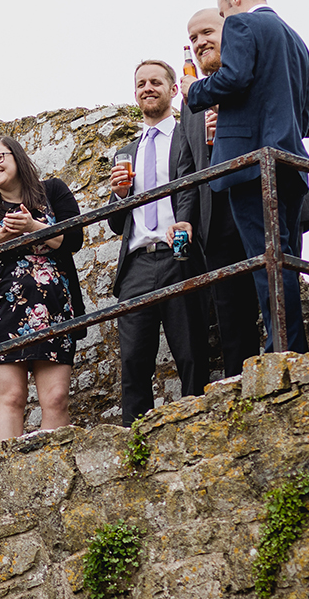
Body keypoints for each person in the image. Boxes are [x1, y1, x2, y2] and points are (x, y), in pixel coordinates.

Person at [183, 7, 309, 372]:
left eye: (208, 32)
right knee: (268, 271)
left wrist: (206, 97)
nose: (200, 43)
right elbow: (306, 121)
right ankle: (283, 349)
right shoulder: (289, 50)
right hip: (227, 206)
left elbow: (242, 82)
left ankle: (284, 350)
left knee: (272, 263)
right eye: (193, 39)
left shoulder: (241, 51)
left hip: (256, 175)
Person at [0, 136, 83, 440]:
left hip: (53, 308)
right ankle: (6, 474)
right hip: (3, 311)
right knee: (11, 397)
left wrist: (32, 227)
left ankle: (53, 470)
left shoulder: (52, 190)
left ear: (17, 156)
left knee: (55, 398)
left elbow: (74, 239)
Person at [108, 60, 209, 427]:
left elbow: (192, 187)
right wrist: (119, 195)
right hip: (136, 263)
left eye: (155, 82)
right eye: (140, 84)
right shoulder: (126, 150)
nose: (147, 88)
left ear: (171, 90)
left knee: (191, 350)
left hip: (177, 254)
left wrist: (186, 223)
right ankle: (135, 438)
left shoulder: (186, 136)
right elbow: (117, 222)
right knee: (133, 360)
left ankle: (197, 426)